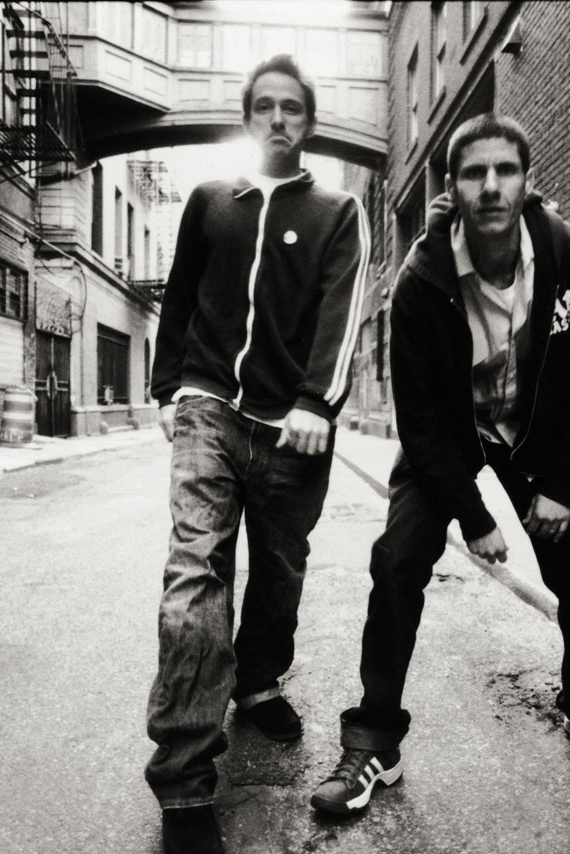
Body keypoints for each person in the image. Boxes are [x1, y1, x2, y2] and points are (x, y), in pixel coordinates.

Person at [310, 113, 570, 817]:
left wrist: (561, 485)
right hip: (450, 437)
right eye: (475, 173)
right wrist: (471, 515)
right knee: (397, 563)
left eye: (505, 170)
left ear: (527, 182)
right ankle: (374, 741)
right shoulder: (421, 279)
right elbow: (418, 417)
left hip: (536, 438)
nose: (492, 186)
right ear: (454, 188)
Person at [145, 54, 368, 852]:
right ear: (248, 118)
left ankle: (260, 681)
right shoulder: (211, 202)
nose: (278, 118)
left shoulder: (339, 210)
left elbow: (343, 313)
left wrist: (316, 402)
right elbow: (179, 296)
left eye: (292, 108)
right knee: (194, 580)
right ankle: (184, 781)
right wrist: (167, 388)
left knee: (279, 575)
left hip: (292, 427)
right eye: (265, 106)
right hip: (208, 408)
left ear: (309, 122)